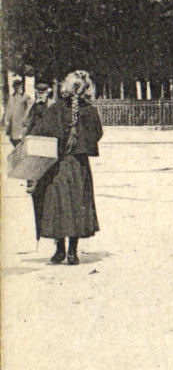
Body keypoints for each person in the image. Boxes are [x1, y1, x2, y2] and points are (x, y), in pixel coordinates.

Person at [27, 69, 103, 265]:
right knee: (77, 206)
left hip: (57, 165)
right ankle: (72, 252)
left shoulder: (56, 110)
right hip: (79, 166)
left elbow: (39, 132)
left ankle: (59, 250)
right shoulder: (90, 111)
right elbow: (97, 134)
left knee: (57, 206)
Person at [3, 74, 32, 146]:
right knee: (12, 139)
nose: (17, 88)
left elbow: (29, 107)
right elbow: (8, 108)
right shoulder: (11, 97)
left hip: (20, 122)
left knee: (20, 140)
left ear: (21, 86)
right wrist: (6, 119)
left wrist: (25, 117)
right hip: (12, 123)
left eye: (19, 86)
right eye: (15, 86)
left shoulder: (25, 96)